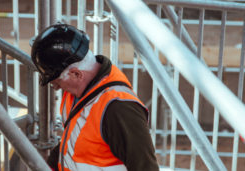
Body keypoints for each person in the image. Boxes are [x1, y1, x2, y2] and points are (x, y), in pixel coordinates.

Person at [31, 23, 159, 171]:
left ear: (76, 74)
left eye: (56, 81)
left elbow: (146, 167)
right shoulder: (78, 91)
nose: (56, 87)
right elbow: (74, 139)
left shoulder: (118, 109)